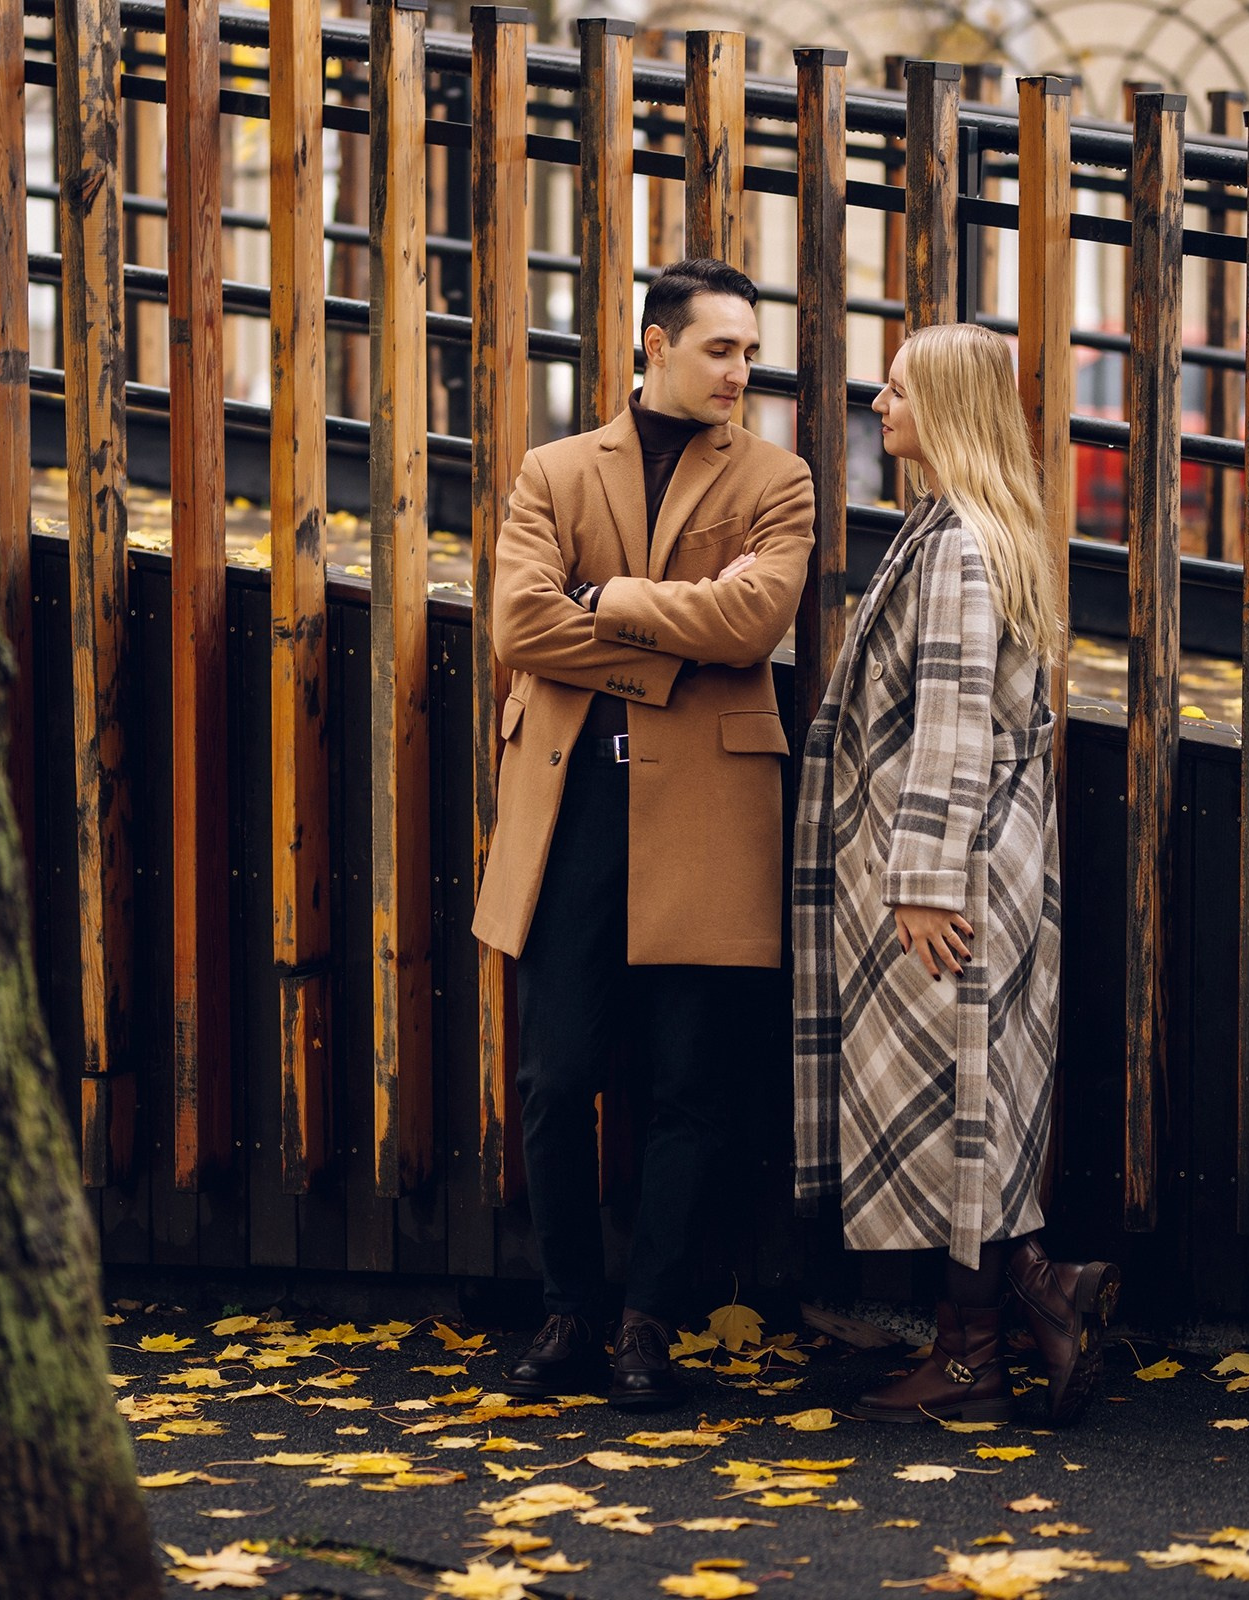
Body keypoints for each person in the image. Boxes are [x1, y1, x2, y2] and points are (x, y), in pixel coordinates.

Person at [473, 258, 814, 1411]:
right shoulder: (555, 470)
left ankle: (646, 1324)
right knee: (555, 1078)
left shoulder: (780, 478)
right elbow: (521, 624)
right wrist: (681, 645)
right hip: (572, 808)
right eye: (721, 348)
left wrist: (609, 602)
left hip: (712, 814)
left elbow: (756, 618)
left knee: (690, 1086)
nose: (741, 371)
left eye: (751, 352)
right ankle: (569, 1308)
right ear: (656, 346)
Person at [789, 322, 1116, 1427]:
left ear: (950, 408)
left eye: (898, 390)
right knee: (965, 1107)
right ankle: (1023, 1308)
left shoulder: (961, 546)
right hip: (985, 857)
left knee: (957, 1108)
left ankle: (978, 1356)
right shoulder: (971, 529)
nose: (879, 405)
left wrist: (923, 876)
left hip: (952, 869)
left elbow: (953, 721)